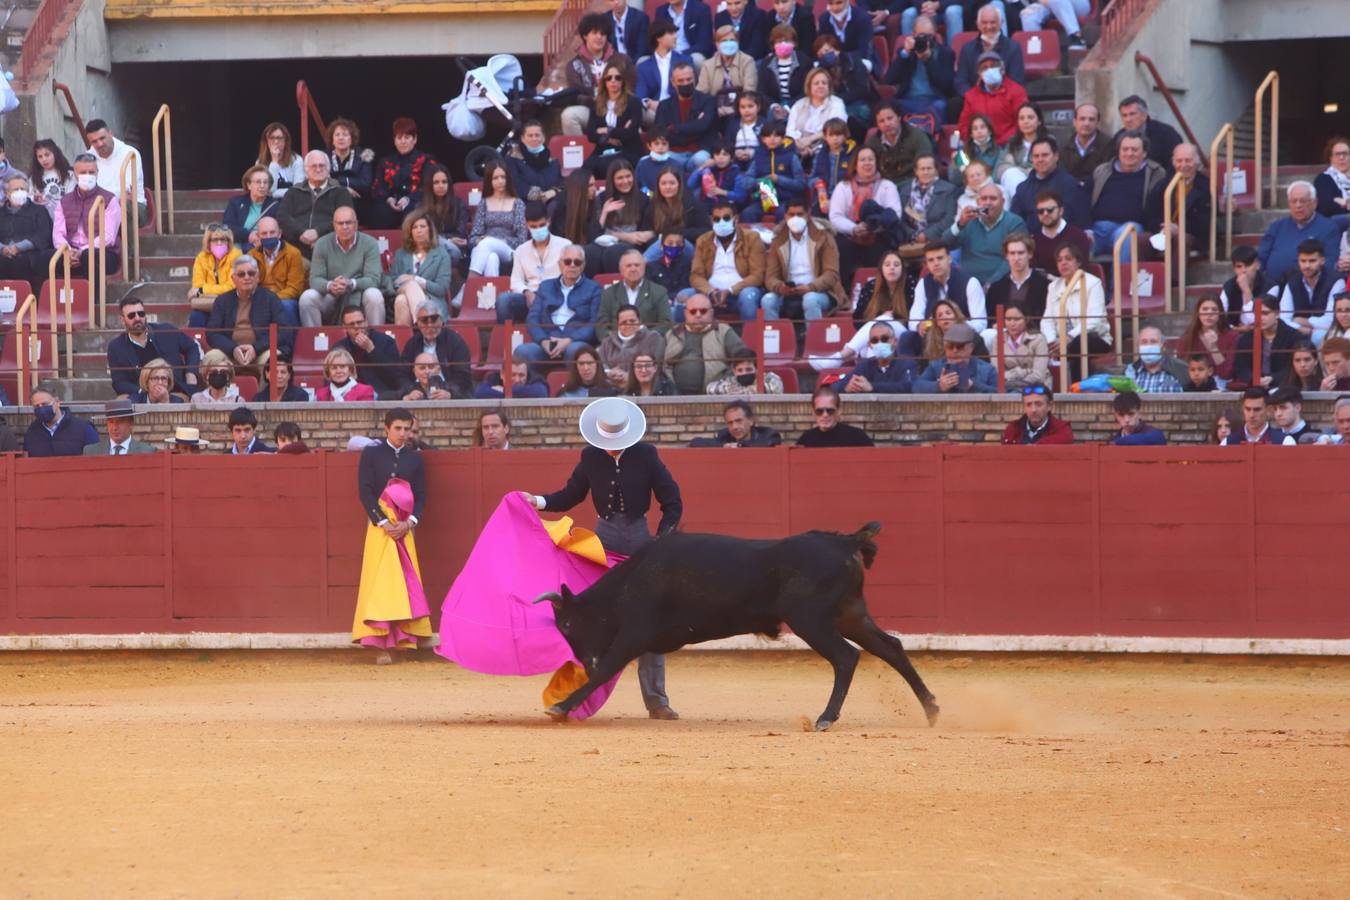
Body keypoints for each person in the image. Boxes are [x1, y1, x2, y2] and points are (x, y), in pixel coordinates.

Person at [524, 397, 684, 719]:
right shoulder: (590, 456)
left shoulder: (646, 455)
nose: (610, 449)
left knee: (650, 620)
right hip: (602, 543)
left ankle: (657, 701)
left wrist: (661, 542)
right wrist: (537, 501)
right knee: (589, 621)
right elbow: (570, 495)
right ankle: (574, 697)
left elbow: (673, 502)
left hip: (640, 544)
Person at [354, 407, 433, 664]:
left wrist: (409, 522)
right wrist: (384, 521)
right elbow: (365, 491)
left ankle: (402, 640)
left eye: (406, 429)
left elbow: (421, 496)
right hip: (380, 529)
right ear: (386, 428)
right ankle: (379, 645)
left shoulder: (415, 459)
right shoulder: (372, 454)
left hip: (404, 529)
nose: (402, 434)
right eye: (397, 428)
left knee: (404, 583)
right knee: (381, 584)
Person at [761, 198, 845, 322]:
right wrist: (780, 287)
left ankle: (813, 340)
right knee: (767, 300)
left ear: (808, 215)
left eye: (799, 214)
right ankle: (774, 338)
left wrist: (810, 287)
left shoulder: (824, 237)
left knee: (810, 300)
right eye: (791, 215)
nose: (795, 218)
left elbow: (831, 274)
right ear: (785, 216)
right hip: (788, 292)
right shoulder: (778, 240)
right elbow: (770, 277)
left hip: (821, 291)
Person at [299, 206, 384, 326]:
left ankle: (377, 340)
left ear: (356, 224)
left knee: (374, 295)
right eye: (340, 223)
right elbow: (314, 280)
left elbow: (374, 280)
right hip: (331, 297)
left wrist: (351, 283)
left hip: (359, 297)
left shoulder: (370, 243)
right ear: (334, 225)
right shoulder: (322, 244)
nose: (345, 227)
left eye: (348, 222)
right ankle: (313, 340)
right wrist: (330, 285)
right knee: (307, 297)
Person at [1089, 130, 1165, 259]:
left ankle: (1121, 280)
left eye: (1134, 150)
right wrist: (1086, 228)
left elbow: (1157, 207)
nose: (1129, 153)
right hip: (1099, 229)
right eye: (1125, 149)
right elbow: (1084, 199)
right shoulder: (1102, 171)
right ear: (1119, 151)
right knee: (1077, 243)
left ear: (1144, 153)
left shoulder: (1156, 174)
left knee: (1127, 235)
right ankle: (1081, 280)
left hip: (1131, 227)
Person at [1040, 242, 1111, 380]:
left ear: (1078, 262)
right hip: (1061, 341)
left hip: (1095, 338)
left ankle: (1077, 389)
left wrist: (1069, 337)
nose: (1063, 263)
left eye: (1068, 258)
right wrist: (1051, 342)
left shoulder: (1093, 283)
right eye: (1059, 260)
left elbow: (1094, 321)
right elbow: (1047, 320)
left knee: (1079, 343)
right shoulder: (1054, 287)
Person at [521, 246, 602, 365]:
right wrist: (543, 341)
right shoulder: (545, 286)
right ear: (560, 264)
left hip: (575, 342)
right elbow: (532, 318)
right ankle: (538, 383)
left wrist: (569, 340)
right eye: (568, 261)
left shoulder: (594, 289)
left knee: (575, 351)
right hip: (548, 340)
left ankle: (572, 384)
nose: (572, 265)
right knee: (522, 352)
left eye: (577, 262)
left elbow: (595, 323)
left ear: (583, 265)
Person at [107, 295, 201, 397]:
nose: (137, 318)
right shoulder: (116, 347)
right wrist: (144, 392)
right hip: (141, 396)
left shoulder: (167, 331)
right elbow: (119, 382)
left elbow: (192, 348)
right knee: (121, 400)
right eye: (131, 316)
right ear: (123, 320)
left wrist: (191, 373)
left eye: (141, 314)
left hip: (174, 392)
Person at [207, 255, 289, 369]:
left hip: (261, 352)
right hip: (230, 354)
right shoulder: (222, 301)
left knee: (274, 360)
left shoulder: (271, 298)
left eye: (251, 273)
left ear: (258, 277)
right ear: (233, 279)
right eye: (241, 274)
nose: (247, 277)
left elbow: (282, 332)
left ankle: (266, 388)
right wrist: (233, 349)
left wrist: (255, 348)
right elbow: (212, 334)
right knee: (211, 358)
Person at [828, 146, 901, 272]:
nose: (867, 163)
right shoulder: (843, 186)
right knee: (839, 247)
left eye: (870, 159)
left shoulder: (887, 186)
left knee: (880, 248)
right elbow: (835, 216)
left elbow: (895, 213)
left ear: (876, 163)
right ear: (855, 165)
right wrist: (854, 228)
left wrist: (871, 227)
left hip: (878, 233)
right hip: (850, 233)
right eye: (862, 160)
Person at [52, 152, 120, 285]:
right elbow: (58, 234)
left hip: (103, 253)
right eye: (83, 172)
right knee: (44, 258)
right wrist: (69, 252)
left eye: (91, 172)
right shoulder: (64, 201)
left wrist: (82, 252)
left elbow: (108, 236)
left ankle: (94, 302)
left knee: (90, 256)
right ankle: (52, 303)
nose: (87, 176)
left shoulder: (109, 199)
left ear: (97, 173)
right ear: (75, 174)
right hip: (70, 251)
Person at [690, 199, 764, 320]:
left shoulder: (752, 238)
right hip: (710, 293)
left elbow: (757, 275)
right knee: (684, 296)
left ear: (736, 219)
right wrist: (709, 291)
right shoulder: (703, 241)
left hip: (741, 291)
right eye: (717, 219)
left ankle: (750, 337)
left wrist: (731, 290)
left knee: (748, 296)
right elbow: (696, 276)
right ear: (711, 220)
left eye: (726, 218)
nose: (721, 222)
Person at [499, 201, 572, 324]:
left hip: (556, 295)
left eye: (541, 225)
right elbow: (516, 281)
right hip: (530, 296)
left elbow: (570, 278)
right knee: (504, 300)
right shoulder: (520, 251)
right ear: (527, 225)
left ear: (548, 221)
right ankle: (507, 339)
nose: (538, 229)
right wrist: (527, 293)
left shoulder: (565, 246)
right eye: (533, 226)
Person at [1256, 181, 1342, 284]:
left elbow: (1330, 261)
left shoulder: (1328, 227)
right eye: (1294, 201)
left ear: (1314, 203)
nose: (1298, 205)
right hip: (1272, 286)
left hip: (1308, 286)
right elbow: (1260, 258)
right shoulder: (1277, 227)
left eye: (1303, 201)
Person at [276, 151, 354, 258]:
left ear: (328, 168)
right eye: (314, 166)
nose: (318, 169)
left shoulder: (340, 192)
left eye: (322, 166)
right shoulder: (293, 192)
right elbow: (282, 217)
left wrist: (318, 233)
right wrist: (301, 233)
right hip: (297, 250)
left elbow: (347, 220)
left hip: (330, 250)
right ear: (306, 170)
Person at [665, 291, 746, 393]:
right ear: (685, 313)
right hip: (673, 395)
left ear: (711, 312)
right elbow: (662, 365)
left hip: (716, 395)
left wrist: (725, 379)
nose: (698, 315)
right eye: (693, 311)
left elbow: (743, 358)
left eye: (703, 311)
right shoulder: (672, 334)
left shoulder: (723, 331)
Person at [951, 182, 1027, 286]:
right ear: (978, 202)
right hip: (968, 284)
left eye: (993, 198)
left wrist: (991, 284)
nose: (988, 202)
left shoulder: (1014, 222)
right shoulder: (968, 221)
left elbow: (1013, 258)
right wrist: (960, 224)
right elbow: (947, 244)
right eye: (984, 198)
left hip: (1002, 283)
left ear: (1003, 202)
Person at [587, 159, 655, 274]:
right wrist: (604, 212)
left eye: (628, 176)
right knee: (589, 252)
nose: (625, 181)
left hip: (633, 245)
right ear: (612, 180)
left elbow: (649, 230)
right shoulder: (602, 198)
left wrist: (645, 234)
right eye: (620, 178)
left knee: (614, 252)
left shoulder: (643, 199)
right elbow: (595, 233)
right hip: (605, 243)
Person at [885, 14, 955, 126]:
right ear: (913, 35)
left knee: (938, 108)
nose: (926, 41)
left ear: (935, 34)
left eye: (930, 37)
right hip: (908, 98)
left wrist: (929, 60)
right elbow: (889, 79)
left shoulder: (945, 53)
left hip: (934, 99)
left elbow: (946, 85)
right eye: (922, 37)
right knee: (890, 108)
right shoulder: (906, 52)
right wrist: (905, 54)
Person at [385, 209, 453, 324]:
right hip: (403, 293)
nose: (419, 230)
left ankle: (405, 339)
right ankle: (426, 324)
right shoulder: (401, 254)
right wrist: (406, 285)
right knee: (405, 293)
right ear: (410, 232)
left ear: (430, 230)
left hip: (432, 301)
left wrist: (416, 280)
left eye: (422, 226)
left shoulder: (441, 254)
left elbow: (441, 289)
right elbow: (392, 282)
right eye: (415, 227)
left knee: (404, 297)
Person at [369, 118, 437, 229]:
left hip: (415, 204)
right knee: (378, 213)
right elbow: (377, 187)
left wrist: (408, 199)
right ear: (394, 140)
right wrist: (389, 199)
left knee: (414, 212)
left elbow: (428, 186)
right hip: (391, 205)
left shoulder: (426, 160)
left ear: (415, 139)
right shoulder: (385, 161)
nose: (403, 141)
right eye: (399, 138)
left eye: (407, 137)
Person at [1010, 136, 1090, 229]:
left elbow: (1075, 219)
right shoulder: (1023, 188)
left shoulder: (1069, 184)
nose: (1040, 159)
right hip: (1030, 240)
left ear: (1056, 156)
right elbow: (1015, 221)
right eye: (1036, 156)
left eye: (1045, 155)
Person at [561, 12, 620, 137]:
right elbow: (576, 93)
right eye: (595, 33)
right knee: (569, 115)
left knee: (649, 114)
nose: (599, 37)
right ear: (585, 35)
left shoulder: (621, 60)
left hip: (620, 106)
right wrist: (595, 99)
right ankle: (583, 153)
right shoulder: (574, 65)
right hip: (591, 109)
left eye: (603, 34)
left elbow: (630, 86)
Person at [398, 300, 472, 399]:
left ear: (441, 320)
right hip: (418, 396)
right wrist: (411, 392)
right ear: (418, 323)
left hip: (447, 395)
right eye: (424, 321)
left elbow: (463, 376)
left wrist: (450, 393)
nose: (430, 326)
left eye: (434, 319)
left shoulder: (455, 341)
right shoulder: (412, 344)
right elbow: (402, 376)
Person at [1150, 142, 1211, 263]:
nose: (1183, 165)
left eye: (1188, 160)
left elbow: (1205, 221)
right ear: (1173, 162)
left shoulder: (1206, 186)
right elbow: (1150, 214)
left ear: (1196, 162)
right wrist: (1164, 227)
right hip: (1163, 231)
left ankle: (1174, 281)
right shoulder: (1164, 184)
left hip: (1191, 234)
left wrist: (1178, 228)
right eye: (1179, 161)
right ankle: (1143, 279)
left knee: (1181, 239)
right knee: (1140, 240)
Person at [909, 240, 987, 333]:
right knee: (908, 337)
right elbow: (914, 319)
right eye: (931, 260)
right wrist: (919, 326)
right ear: (927, 264)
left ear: (949, 259)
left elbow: (981, 323)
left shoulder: (970, 283)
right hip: (932, 336)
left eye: (940, 258)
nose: (936, 263)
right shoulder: (923, 283)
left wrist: (957, 325)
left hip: (962, 336)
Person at [1275, 239, 1345, 343]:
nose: (1307, 266)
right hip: (1298, 331)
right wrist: (1300, 328)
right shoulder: (1292, 281)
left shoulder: (1336, 281)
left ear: (1322, 260)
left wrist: (1303, 321)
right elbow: (1284, 318)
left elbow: (1332, 320)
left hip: (1328, 332)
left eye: (1312, 261)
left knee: (1318, 336)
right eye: (1303, 261)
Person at [467, 158, 527, 279]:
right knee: (491, 258)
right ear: (489, 180)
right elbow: (473, 239)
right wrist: (481, 241)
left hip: (509, 250)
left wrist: (497, 241)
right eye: (495, 178)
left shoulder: (517, 203)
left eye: (503, 177)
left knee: (488, 242)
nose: (500, 181)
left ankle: (469, 284)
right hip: (484, 247)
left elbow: (522, 240)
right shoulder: (483, 203)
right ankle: (491, 296)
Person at [654, 61, 717, 173]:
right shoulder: (664, 105)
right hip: (674, 152)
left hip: (700, 151)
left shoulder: (708, 101)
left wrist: (674, 128)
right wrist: (694, 126)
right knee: (656, 159)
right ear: (673, 82)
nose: (685, 83)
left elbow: (704, 126)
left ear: (695, 79)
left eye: (689, 79)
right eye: (681, 81)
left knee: (700, 159)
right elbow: (660, 132)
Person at [738, 119, 805, 221]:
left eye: (776, 136)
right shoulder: (758, 158)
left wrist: (778, 179)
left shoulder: (791, 157)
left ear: (783, 139)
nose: (772, 139)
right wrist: (760, 182)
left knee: (782, 213)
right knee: (747, 213)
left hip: (786, 201)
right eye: (768, 136)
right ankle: (753, 237)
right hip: (762, 201)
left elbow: (801, 184)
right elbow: (745, 182)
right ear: (763, 139)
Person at [84, 119, 147, 225]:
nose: (99, 144)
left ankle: (127, 242)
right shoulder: (87, 157)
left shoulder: (130, 154)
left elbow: (125, 189)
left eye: (102, 138)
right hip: (100, 207)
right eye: (94, 141)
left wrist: (96, 194)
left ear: (110, 133)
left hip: (134, 206)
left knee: (122, 205)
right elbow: (85, 188)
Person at [958, 53, 1029, 148]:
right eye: (984, 67)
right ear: (979, 73)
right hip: (980, 148)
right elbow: (964, 126)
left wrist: (1000, 143)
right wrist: (977, 141)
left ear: (1002, 69)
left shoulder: (1017, 91)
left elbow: (1022, 123)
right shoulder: (970, 96)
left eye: (993, 66)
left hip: (1010, 146)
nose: (989, 70)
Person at [598, 249, 673, 339]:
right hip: (617, 346)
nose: (633, 269)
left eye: (637, 265)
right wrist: (616, 340)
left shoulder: (659, 292)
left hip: (647, 344)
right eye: (628, 266)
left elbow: (666, 323)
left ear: (644, 268)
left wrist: (644, 337)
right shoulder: (609, 293)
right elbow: (601, 326)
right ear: (621, 270)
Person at [587, 60, 646, 173]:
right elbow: (591, 134)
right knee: (585, 168)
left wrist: (606, 130)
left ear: (623, 81)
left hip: (628, 150)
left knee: (610, 164)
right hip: (604, 148)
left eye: (617, 78)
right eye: (609, 78)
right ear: (604, 81)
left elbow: (630, 133)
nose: (613, 81)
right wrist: (609, 139)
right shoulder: (596, 103)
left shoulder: (633, 102)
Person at [334, 306, 405, 398]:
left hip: (382, 396)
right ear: (345, 328)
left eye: (359, 322)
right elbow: (330, 377)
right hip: (350, 397)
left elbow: (396, 375)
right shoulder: (340, 348)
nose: (357, 327)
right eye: (351, 324)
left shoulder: (386, 341)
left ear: (366, 322)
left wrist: (372, 350)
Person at [955, 3, 1024, 97]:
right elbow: (961, 81)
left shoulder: (1013, 48)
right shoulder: (967, 49)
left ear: (1001, 22)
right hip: (974, 99)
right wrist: (974, 97)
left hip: (1004, 98)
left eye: (993, 22)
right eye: (984, 22)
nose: (989, 26)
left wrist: (995, 97)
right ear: (978, 25)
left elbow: (1016, 81)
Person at [247, 216, 305, 325]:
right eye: (264, 233)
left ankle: (289, 341)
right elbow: (249, 284)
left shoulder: (293, 254)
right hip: (260, 299)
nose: (268, 236)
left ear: (279, 234)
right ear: (258, 236)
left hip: (284, 298)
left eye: (272, 232)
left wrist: (272, 299)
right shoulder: (252, 255)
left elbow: (295, 288)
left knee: (286, 306)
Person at [0, 172, 54, 287]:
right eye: (15, 189)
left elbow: (44, 235)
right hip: (3, 256)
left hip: (30, 258)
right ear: (6, 193)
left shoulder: (39, 211)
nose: (20, 192)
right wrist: (3, 248)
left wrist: (19, 247)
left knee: (21, 262)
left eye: (22, 189)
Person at [696, 25, 758, 125]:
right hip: (715, 111)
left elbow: (749, 91)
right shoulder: (707, 65)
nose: (728, 44)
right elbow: (701, 94)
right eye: (724, 41)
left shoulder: (748, 61)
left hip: (741, 110)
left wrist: (735, 109)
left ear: (737, 42)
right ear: (716, 44)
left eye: (732, 40)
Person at [1235, 294, 1301, 387]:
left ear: (1277, 314)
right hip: (1255, 387)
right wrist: (1254, 379)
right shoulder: (1247, 338)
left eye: (1265, 313)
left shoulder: (1294, 336)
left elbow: (1294, 367)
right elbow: (1241, 368)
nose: (1260, 318)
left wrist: (1273, 378)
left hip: (1284, 386)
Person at [646, 164, 709, 261]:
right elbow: (649, 233)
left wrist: (680, 234)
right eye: (663, 183)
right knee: (664, 241)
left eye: (672, 183)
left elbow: (706, 230)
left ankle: (641, 264)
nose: (667, 187)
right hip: (662, 248)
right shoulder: (654, 204)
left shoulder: (691, 203)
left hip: (688, 248)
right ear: (658, 186)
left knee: (668, 240)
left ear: (679, 184)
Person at [986, 233, 1048, 330]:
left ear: (1030, 254)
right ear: (1006, 256)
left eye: (1020, 253)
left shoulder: (1045, 285)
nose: (1016, 258)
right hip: (1004, 336)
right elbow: (990, 319)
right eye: (1012, 253)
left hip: (1035, 335)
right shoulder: (996, 288)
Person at [915, 321, 999, 393]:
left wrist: (973, 385)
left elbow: (1001, 392)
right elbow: (916, 386)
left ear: (971, 348)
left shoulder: (986, 369)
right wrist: (939, 386)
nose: (954, 351)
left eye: (960, 346)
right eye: (950, 346)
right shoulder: (936, 366)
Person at [895, 153, 958, 246]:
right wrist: (914, 235)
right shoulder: (905, 191)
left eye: (929, 168)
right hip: (912, 243)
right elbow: (901, 220)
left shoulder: (949, 190)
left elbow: (949, 219)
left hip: (939, 241)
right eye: (922, 169)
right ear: (916, 171)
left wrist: (927, 235)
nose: (925, 172)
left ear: (936, 170)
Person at [599, 303, 667, 390]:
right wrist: (610, 373)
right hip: (611, 389)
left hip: (643, 389)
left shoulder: (654, 339)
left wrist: (630, 377)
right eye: (624, 322)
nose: (629, 325)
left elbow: (656, 368)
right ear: (618, 325)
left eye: (632, 321)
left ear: (639, 321)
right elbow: (601, 366)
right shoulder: (607, 342)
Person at [637, 21, 693, 125]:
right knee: (641, 112)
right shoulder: (643, 67)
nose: (675, 37)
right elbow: (641, 96)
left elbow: (691, 91)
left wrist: (664, 106)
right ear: (659, 38)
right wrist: (649, 103)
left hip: (678, 108)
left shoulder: (686, 60)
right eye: (671, 33)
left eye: (675, 33)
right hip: (654, 111)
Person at [785, 68, 847, 163]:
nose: (820, 86)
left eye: (824, 83)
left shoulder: (837, 103)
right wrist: (800, 145)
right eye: (816, 83)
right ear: (809, 86)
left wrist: (809, 140)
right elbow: (790, 131)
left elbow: (836, 129)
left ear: (829, 86)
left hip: (825, 147)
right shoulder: (799, 104)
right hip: (799, 148)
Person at [867, 101, 932, 188]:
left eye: (890, 118)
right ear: (877, 125)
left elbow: (926, 164)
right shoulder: (873, 142)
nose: (887, 124)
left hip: (913, 183)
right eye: (881, 121)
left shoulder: (917, 136)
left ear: (899, 117)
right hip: (885, 186)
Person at [839, 321, 917, 394]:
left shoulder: (906, 363)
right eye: (875, 340)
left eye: (884, 339)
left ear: (895, 341)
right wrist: (847, 387)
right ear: (869, 345)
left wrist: (872, 387)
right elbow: (836, 385)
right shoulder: (865, 365)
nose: (880, 344)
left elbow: (909, 387)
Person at [1176, 296, 1240, 385]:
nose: (1209, 313)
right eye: (1205, 309)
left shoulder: (1232, 336)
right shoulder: (1187, 339)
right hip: (1194, 387)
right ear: (1198, 313)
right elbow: (1181, 371)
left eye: (1214, 310)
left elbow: (1226, 374)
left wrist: (1213, 348)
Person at [187, 223, 241, 328]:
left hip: (230, 304)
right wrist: (202, 290)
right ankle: (196, 343)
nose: (219, 243)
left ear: (228, 241)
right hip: (208, 304)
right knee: (196, 316)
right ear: (208, 242)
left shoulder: (236, 255)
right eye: (215, 240)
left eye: (223, 239)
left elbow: (232, 287)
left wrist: (203, 290)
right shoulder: (201, 258)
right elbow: (197, 285)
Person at [1113, 95, 1183, 174]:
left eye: (1132, 114)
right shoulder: (1118, 137)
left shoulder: (1166, 134)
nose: (1128, 119)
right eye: (1124, 115)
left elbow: (1176, 165)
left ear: (1144, 115)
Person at [994, 102, 1049, 198]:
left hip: (1040, 183)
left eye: (1030, 118)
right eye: (1022, 118)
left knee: (1011, 173)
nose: (1025, 121)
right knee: (1009, 176)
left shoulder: (1048, 141)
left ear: (1039, 121)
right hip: (1014, 184)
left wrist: (1014, 166)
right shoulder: (1013, 142)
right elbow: (999, 169)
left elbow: (1045, 168)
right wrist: (1023, 170)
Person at [1029, 188, 1092, 272]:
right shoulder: (1034, 241)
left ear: (1061, 211)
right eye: (1041, 211)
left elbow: (1083, 271)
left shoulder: (1078, 236)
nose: (1045, 214)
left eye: (1050, 210)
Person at [506, 121, 565, 210]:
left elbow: (560, 183)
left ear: (543, 138)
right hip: (524, 205)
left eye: (537, 135)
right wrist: (539, 195)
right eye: (530, 136)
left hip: (551, 203)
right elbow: (516, 185)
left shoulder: (553, 161)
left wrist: (553, 191)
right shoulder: (513, 159)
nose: (534, 139)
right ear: (522, 138)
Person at [25, 386, 98, 456]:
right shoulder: (31, 433)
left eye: (45, 404)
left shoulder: (84, 429)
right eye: (37, 406)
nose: (41, 408)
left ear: (57, 402)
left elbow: (97, 459)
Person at [421, 164, 471, 264]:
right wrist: (448, 239)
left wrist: (445, 241)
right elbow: (424, 234)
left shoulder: (459, 204)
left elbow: (460, 234)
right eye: (436, 182)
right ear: (430, 185)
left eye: (444, 182)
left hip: (454, 250)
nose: (441, 186)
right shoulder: (421, 206)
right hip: (430, 248)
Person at [996, 301, 1051, 390]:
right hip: (1008, 387)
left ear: (1027, 319)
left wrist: (1017, 383)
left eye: (1017, 319)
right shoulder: (999, 338)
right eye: (1008, 319)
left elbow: (1038, 375)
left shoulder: (1039, 339)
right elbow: (996, 373)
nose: (1012, 324)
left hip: (1037, 387)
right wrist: (1022, 372)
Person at [795, 386, 873, 446]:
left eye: (830, 411)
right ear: (813, 412)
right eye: (819, 411)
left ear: (839, 411)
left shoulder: (857, 437)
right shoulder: (806, 439)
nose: (825, 415)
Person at [327, 117, 375, 213]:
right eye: (337, 135)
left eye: (345, 135)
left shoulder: (364, 156)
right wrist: (344, 188)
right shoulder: (324, 157)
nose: (341, 138)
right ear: (332, 140)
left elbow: (365, 184)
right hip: (330, 202)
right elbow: (321, 183)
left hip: (358, 202)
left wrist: (336, 181)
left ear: (352, 139)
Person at [1221, 244, 1275, 329]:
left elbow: (1256, 321)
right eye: (1239, 266)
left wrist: (1246, 291)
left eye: (1248, 265)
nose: (1243, 270)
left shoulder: (1271, 286)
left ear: (1257, 265)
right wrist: (1236, 329)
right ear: (1234, 269)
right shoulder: (1229, 286)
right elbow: (1220, 318)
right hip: (1234, 334)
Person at [691, 398, 782, 447]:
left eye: (739, 421)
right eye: (730, 423)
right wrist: (724, 445)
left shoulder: (769, 434)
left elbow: (766, 444)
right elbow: (695, 442)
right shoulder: (724, 435)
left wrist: (737, 445)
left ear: (750, 421)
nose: (734, 427)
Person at [757, 31, 803, 126]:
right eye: (778, 41)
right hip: (774, 105)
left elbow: (806, 90)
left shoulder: (804, 62)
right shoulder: (765, 63)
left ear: (794, 43)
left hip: (797, 103)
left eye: (787, 40)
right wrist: (774, 106)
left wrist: (787, 107)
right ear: (773, 45)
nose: (783, 44)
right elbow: (761, 90)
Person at [1001, 384, 1074, 444]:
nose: (1033, 410)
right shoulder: (1013, 428)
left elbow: (1066, 438)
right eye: (1028, 405)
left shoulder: (1061, 428)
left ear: (1049, 406)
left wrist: (1034, 446)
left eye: (1038, 404)